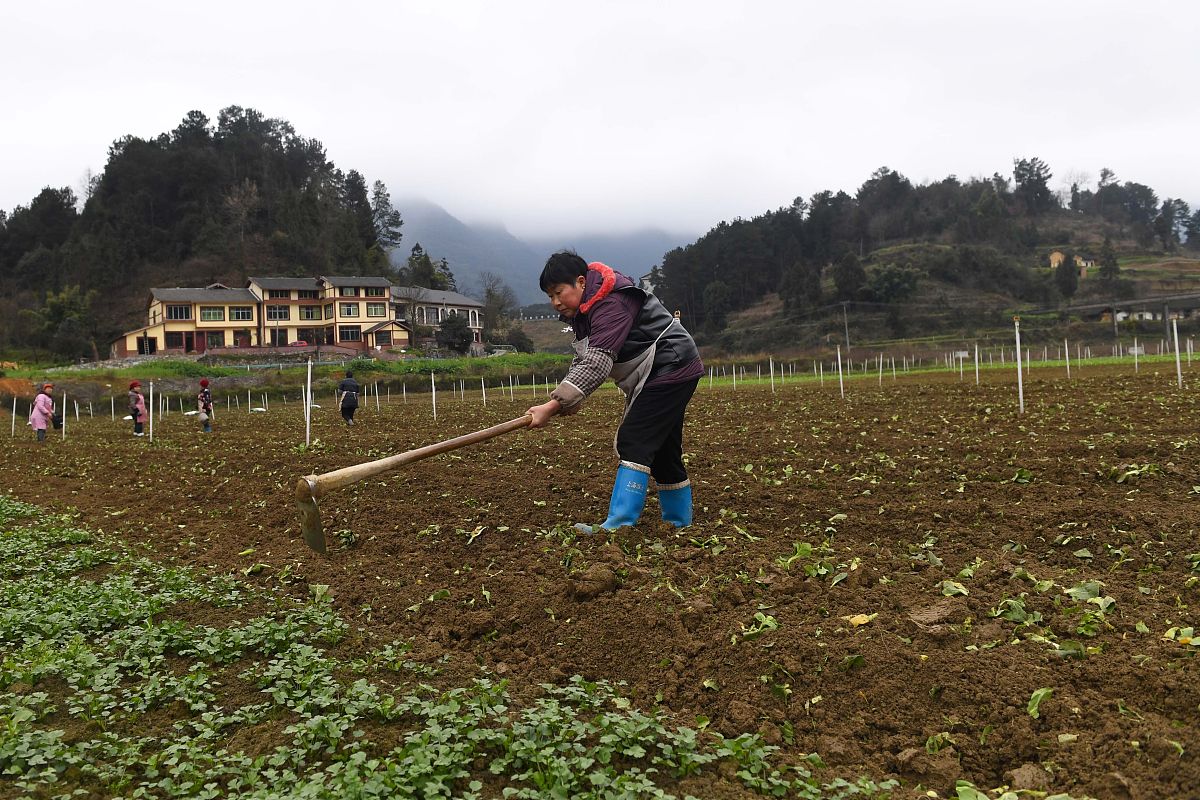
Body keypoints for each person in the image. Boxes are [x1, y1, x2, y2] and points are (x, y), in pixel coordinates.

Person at [526, 252, 704, 532]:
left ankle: (618, 527)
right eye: (550, 296)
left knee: (634, 440)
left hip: (670, 364)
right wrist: (566, 400)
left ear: (581, 282)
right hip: (669, 368)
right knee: (663, 450)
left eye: (559, 292)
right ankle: (678, 524)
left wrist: (551, 406)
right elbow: (584, 358)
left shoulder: (612, 302)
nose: (555, 302)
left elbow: (598, 362)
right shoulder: (585, 311)